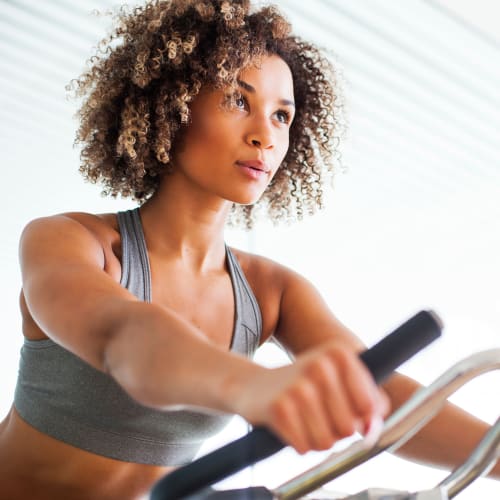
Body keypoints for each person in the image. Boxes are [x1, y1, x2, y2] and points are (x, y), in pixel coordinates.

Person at [0, 1, 498, 499]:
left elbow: (376, 393)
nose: (265, 136)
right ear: (174, 103)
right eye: (240, 101)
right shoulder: (71, 242)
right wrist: (254, 386)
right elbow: (126, 339)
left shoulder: (271, 292)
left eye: (282, 116)